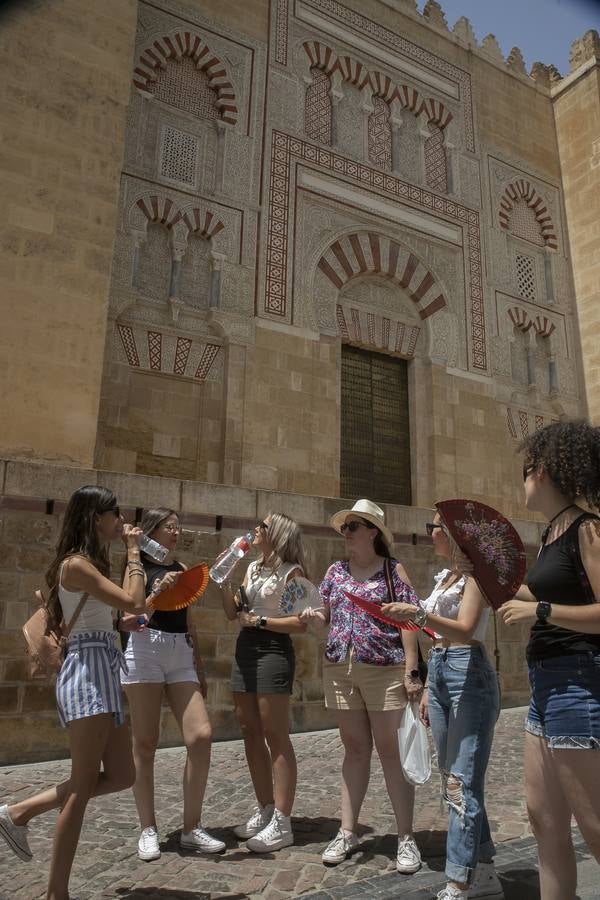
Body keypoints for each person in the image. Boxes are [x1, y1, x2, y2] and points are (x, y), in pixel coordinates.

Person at [0, 485, 149, 900]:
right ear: (94, 516)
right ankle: (56, 894)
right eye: (114, 512)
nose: (121, 520)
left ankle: (19, 811)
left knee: (122, 774)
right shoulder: (76, 565)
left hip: (104, 664)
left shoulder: (92, 563)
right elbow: (134, 601)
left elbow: (113, 615)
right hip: (86, 672)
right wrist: (134, 552)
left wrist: (122, 625)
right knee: (81, 788)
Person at [500, 420, 600, 900]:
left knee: (595, 825)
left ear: (543, 470)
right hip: (546, 688)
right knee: (543, 818)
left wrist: (538, 609)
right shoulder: (550, 533)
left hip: (577, 682)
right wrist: (483, 570)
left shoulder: (589, 528)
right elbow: (532, 593)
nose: (521, 480)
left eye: (525, 470)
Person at [382, 512, 504, 900]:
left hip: (469, 669)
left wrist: (416, 614)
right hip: (442, 668)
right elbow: (435, 632)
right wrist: (427, 679)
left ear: (453, 533)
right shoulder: (445, 577)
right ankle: (484, 872)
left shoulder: (476, 576)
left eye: (435, 525)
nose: (429, 531)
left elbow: (466, 628)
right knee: (453, 776)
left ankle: (457, 881)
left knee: (459, 782)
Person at [303, 499, 424, 875]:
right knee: (354, 749)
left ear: (373, 531)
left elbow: (410, 620)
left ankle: (406, 837)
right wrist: (314, 616)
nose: (347, 533)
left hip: (385, 669)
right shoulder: (335, 571)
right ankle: (347, 830)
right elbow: (325, 614)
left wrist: (412, 670)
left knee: (390, 752)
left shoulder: (392, 570)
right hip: (340, 667)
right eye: (345, 528)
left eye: (354, 526)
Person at [118, 507, 224, 860]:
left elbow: (189, 619)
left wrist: (200, 667)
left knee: (201, 735)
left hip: (180, 651)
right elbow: (128, 618)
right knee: (145, 742)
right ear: (152, 531)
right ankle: (148, 827)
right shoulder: (135, 568)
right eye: (169, 527)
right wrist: (156, 594)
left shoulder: (180, 570)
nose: (176, 533)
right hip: (144, 647)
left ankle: (191, 828)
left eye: (178, 527)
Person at [219, 513, 308, 852]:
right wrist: (225, 581)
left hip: (272, 649)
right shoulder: (253, 567)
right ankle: (266, 808)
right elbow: (232, 612)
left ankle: (283, 822)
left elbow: (300, 624)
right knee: (249, 729)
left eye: (264, 526)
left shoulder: (292, 573)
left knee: (275, 733)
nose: (256, 529)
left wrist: (259, 620)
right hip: (246, 648)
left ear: (279, 535)